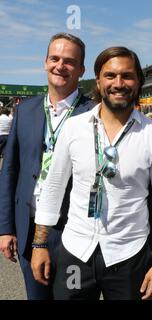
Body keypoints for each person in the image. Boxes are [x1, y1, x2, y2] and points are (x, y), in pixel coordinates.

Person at [30, 47, 152, 300]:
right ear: (98, 81)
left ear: (139, 81)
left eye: (127, 76)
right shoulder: (74, 128)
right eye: (110, 76)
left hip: (129, 255)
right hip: (76, 250)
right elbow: (53, 188)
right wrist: (40, 244)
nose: (118, 83)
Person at [0, 33, 94, 300]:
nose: (60, 66)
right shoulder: (25, 110)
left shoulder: (93, 113)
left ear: (81, 70)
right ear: (45, 62)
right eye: (54, 58)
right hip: (28, 228)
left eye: (69, 61)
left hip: (73, 232)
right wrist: (5, 228)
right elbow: (10, 172)